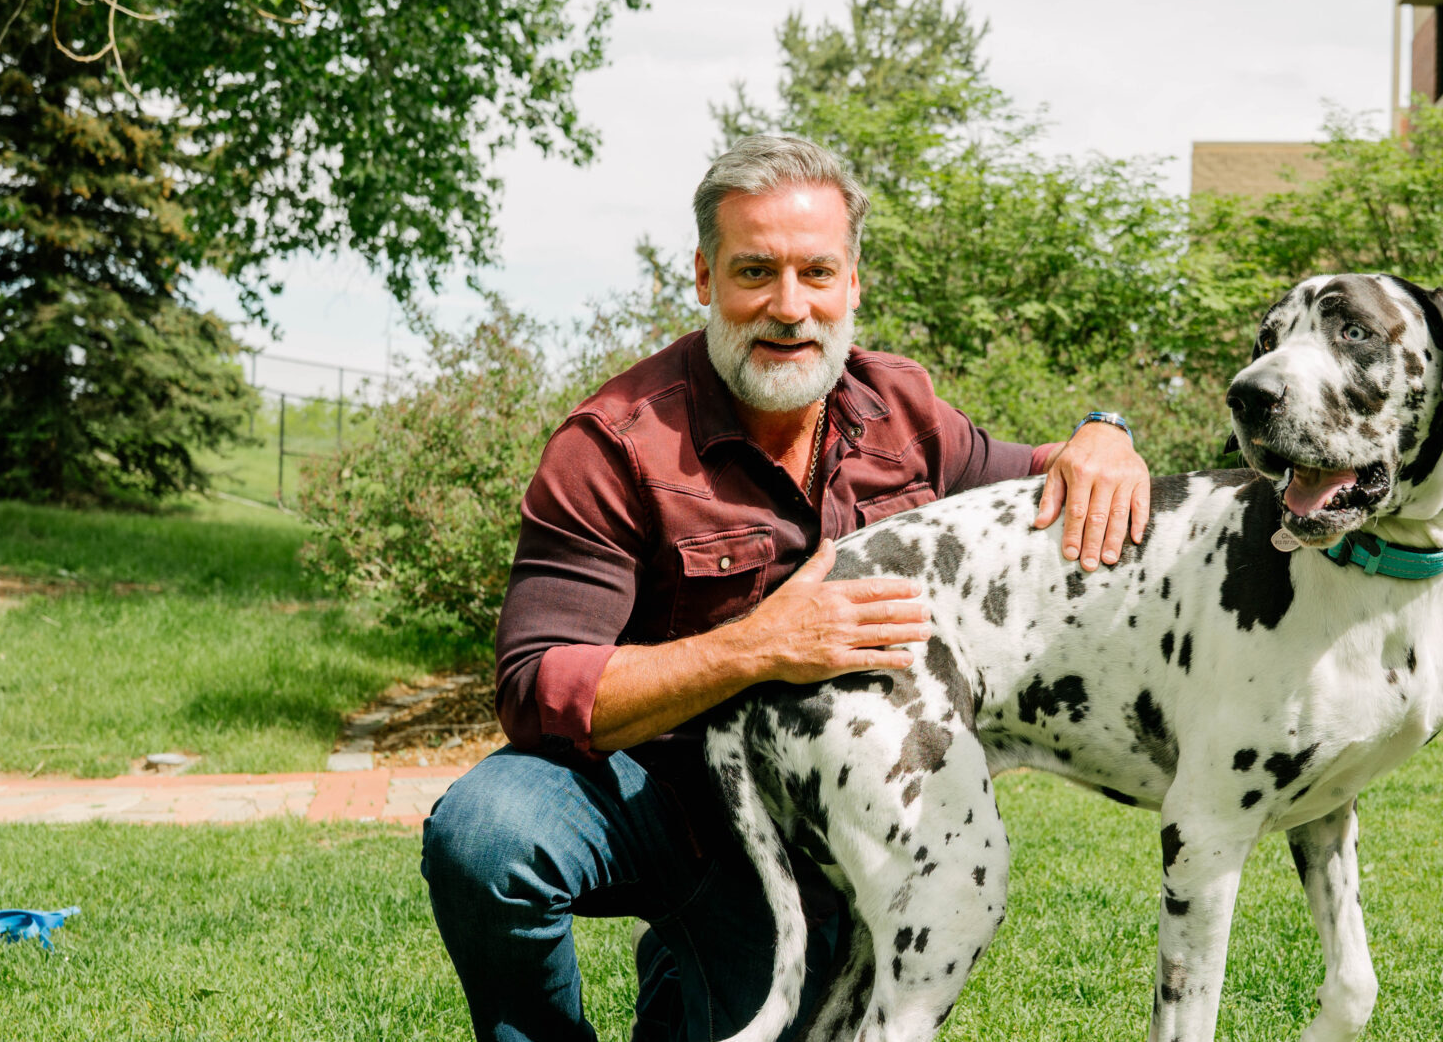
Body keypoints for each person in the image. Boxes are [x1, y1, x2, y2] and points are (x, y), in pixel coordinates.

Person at [420, 135, 1153, 1042]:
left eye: (817, 272)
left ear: (854, 284)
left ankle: (692, 967)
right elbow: (536, 686)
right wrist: (760, 642)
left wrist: (1103, 433)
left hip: (805, 825)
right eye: (755, 271)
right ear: (703, 276)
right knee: (487, 834)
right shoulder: (613, 444)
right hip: (646, 788)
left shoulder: (907, 412)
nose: (789, 307)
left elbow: (1034, 475)